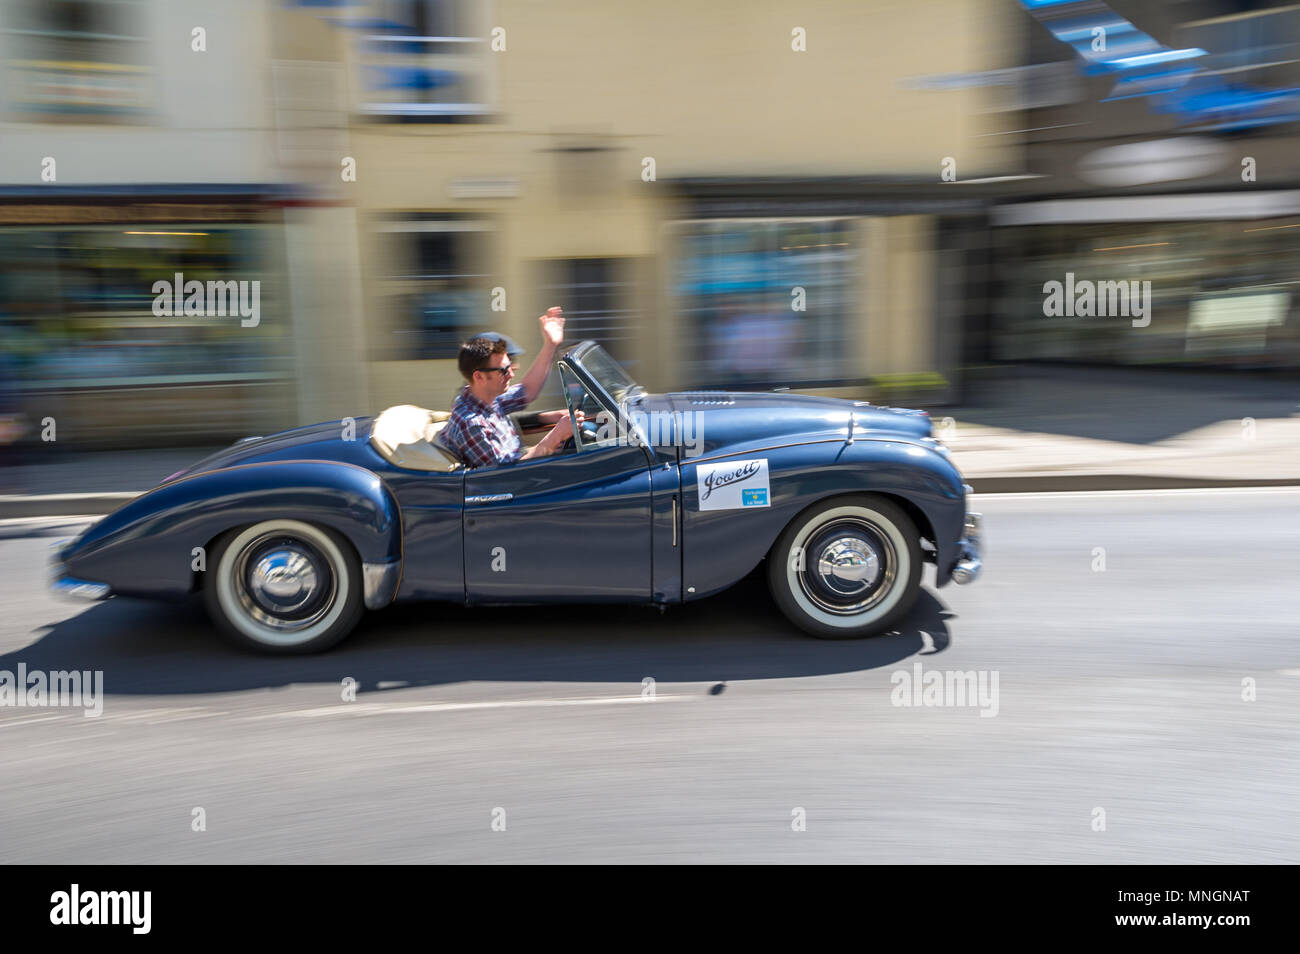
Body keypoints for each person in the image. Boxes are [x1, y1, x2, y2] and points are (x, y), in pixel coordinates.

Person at [440, 307, 579, 467]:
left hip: (519, 461)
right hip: (511, 481)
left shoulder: (486, 396)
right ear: (479, 376)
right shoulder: (472, 424)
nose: (511, 375)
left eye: (509, 367)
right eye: (503, 371)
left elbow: (527, 391)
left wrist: (550, 344)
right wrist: (556, 436)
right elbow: (507, 473)